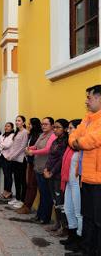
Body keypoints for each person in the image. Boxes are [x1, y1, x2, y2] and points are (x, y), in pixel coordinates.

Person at [69, 85, 101, 255]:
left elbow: (91, 140)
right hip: (85, 176)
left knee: (98, 220)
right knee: (87, 216)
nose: (86, 101)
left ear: (99, 98)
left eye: (89, 97)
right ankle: (87, 249)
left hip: (98, 179)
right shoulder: (88, 119)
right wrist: (77, 140)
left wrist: (78, 141)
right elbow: (73, 136)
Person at [27, 117, 56, 225]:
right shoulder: (42, 135)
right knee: (42, 193)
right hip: (38, 167)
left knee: (46, 195)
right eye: (42, 124)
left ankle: (45, 217)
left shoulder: (52, 136)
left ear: (52, 125)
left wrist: (32, 153)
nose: (43, 126)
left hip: (45, 168)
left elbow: (47, 150)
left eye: (46, 124)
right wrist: (29, 148)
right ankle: (39, 215)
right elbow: (35, 146)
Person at [43, 118, 69, 236]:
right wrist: (46, 168)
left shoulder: (65, 142)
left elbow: (61, 160)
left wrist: (52, 172)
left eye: (58, 127)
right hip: (50, 174)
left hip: (58, 175)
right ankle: (57, 223)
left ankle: (64, 227)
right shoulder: (55, 141)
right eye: (55, 127)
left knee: (60, 201)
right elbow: (51, 157)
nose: (55, 129)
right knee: (55, 200)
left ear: (64, 129)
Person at [60, 119, 82, 252]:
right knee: (68, 209)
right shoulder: (69, 146)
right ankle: (71, 236)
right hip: (68, 181)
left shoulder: (80, 146)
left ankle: (80, 240)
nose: (68, 130)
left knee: (78, 212)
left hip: (77, 182)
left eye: (71, 128)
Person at [16, 118, 42, 214]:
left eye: (30, 124)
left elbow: (38, 148)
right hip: (29, 161)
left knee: (32, 184)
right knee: (29, 184)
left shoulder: (38, 135)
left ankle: (28, 206)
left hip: (35, 162)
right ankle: (26, 204)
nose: (28, 126)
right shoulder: (31, 134)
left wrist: (30, 150)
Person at [6, 116, 29, 209]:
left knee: (22, 180)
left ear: (23, 122)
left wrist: (12, 156)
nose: (17, 122)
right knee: (16, 180)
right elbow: (14, 146)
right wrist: (10, 155)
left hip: (21, 159)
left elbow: (22, 147)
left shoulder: (25, 132)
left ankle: (22, 200)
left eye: (19, 121)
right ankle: (17, 198)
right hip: (14, 160)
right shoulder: (17, 132)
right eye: (16, 120)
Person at [0, 122, 15, 198]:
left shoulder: (13, 135)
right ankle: (5, 190)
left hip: (8, 157)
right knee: (5, 174)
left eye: (8, 126)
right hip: (2, 157)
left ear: (12, 128)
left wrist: (1, 145)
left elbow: (8, 145)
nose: (6, 127)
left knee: (8, 175)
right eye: (5, 126)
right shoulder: (2, 135)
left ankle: (9, 191)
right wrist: (2, 146)